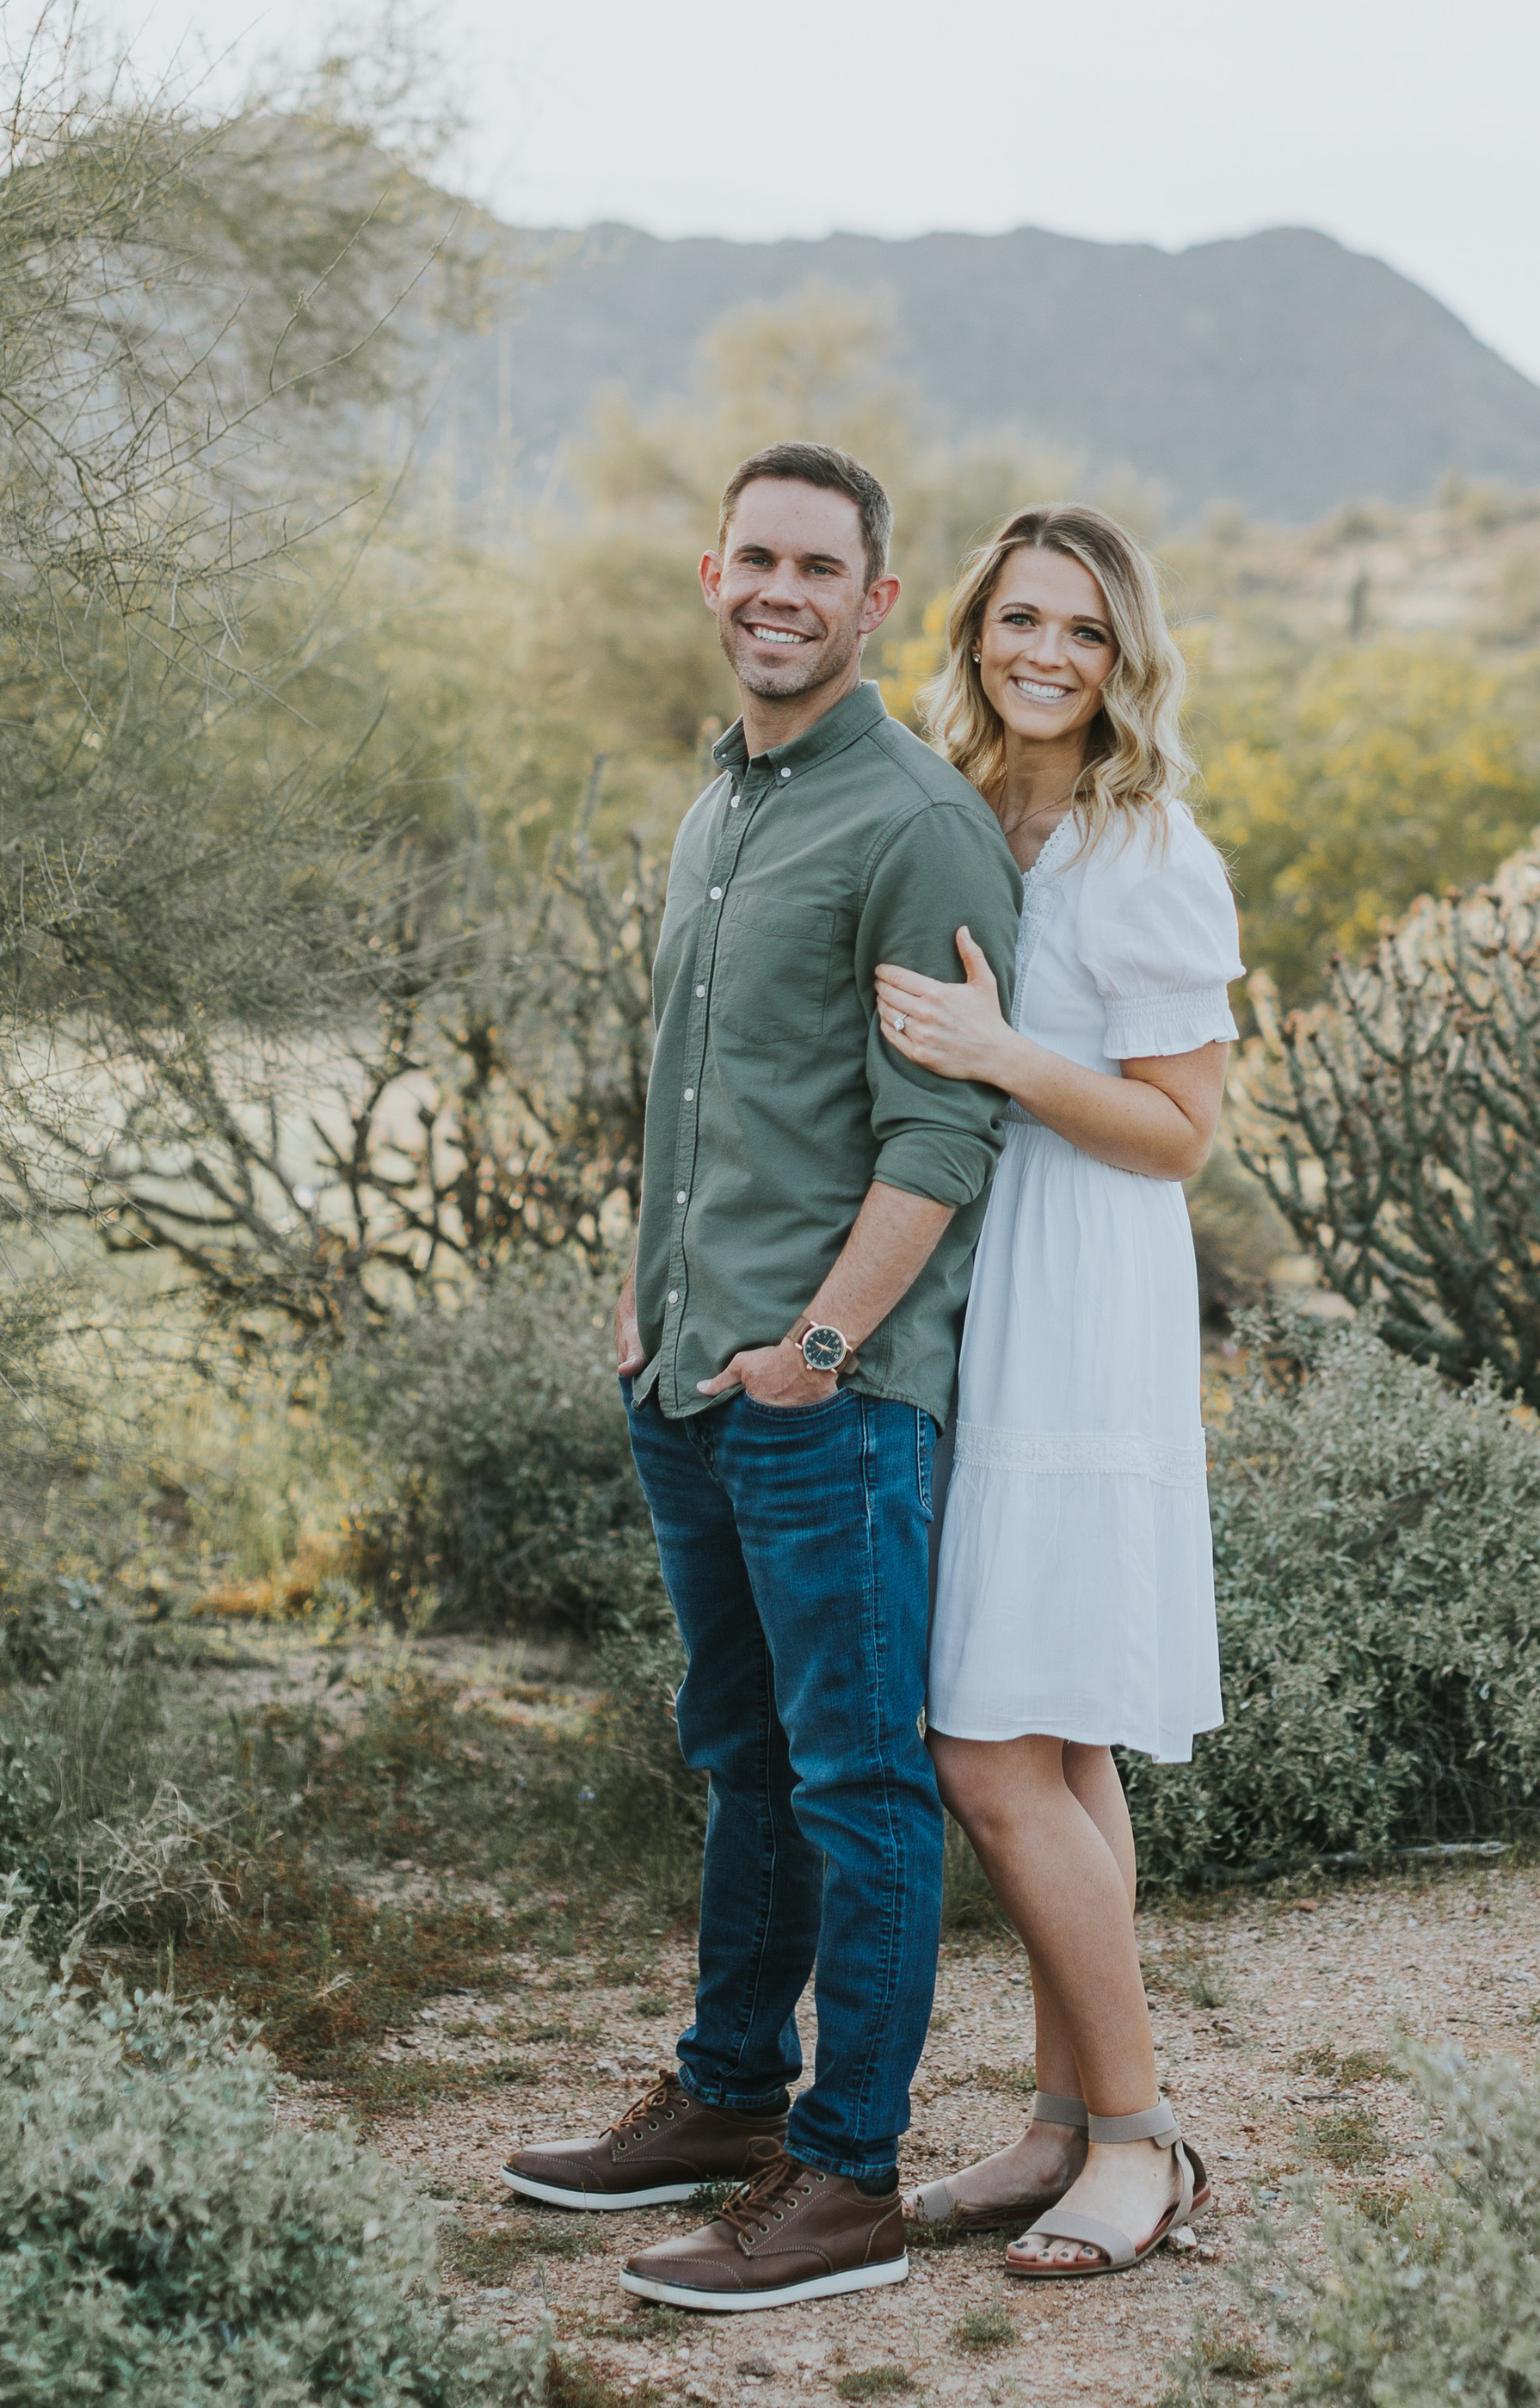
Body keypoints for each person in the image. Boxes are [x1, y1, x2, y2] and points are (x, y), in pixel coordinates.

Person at [498, 440, 1023, 2315]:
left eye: (820, 566)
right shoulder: (719, 802)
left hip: (831, 1404)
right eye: (754, 561)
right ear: (708, 581)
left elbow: (939, 1137)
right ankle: (728, 2098)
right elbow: (699, 1089)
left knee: (858, 1783)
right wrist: (649, 1300)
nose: (780, 592)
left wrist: (815, 1350)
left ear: (876, 603)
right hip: (687, 1382)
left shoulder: (912, 822)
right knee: (737, 1758)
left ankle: (847, 2183)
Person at [874, 503, 1241, 2284]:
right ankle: (1048, 2125)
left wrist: (1011, 1060)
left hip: (1082, 1297)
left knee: (985, 1740)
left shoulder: (1144, 843)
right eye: (1017, 619)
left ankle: (1139, 2136)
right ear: (971, 633)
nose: (1043, 653)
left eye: (1080, 632)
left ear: (1121, 661)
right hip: (974, 1294)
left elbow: (1179, 1133)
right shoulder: (953, 812)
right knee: (1060, 1730)